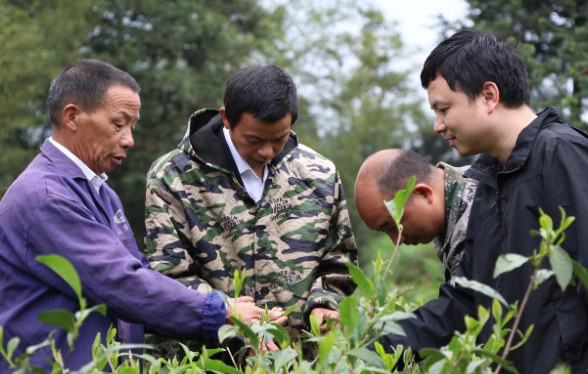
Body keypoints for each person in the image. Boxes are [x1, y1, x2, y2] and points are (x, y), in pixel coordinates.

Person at [0, 59, 282, 371]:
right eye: (118, 124)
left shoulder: (100, 193)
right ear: (72, 116)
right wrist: (219, 311)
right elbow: (119, 282)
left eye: (132, 127)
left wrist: (230, 307)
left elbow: (139, 271)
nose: (129, 140)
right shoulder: (46, 196)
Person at [375, 30, 588, 373]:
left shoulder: (561, 154)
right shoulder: (487, 182)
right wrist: (370, 348)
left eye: (443, 108)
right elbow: (467, 303)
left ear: (489, 95)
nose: (437, 125)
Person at [145, 65, 358, 354]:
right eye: (254, 139)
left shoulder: (319, 175)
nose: (267, 152)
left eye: (279, 137)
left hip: (298, 360)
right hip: (209, 359)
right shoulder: (173, 177)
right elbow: (169, 275)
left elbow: (339, 258)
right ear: (226, 119)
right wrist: (228, 315)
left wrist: (326, 303)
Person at [354, 149, 477, 284]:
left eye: (394, 223)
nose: (396, 241)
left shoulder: (476, 214)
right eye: (383, 231)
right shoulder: (445, 210)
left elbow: (465, 300)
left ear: (423, 193)